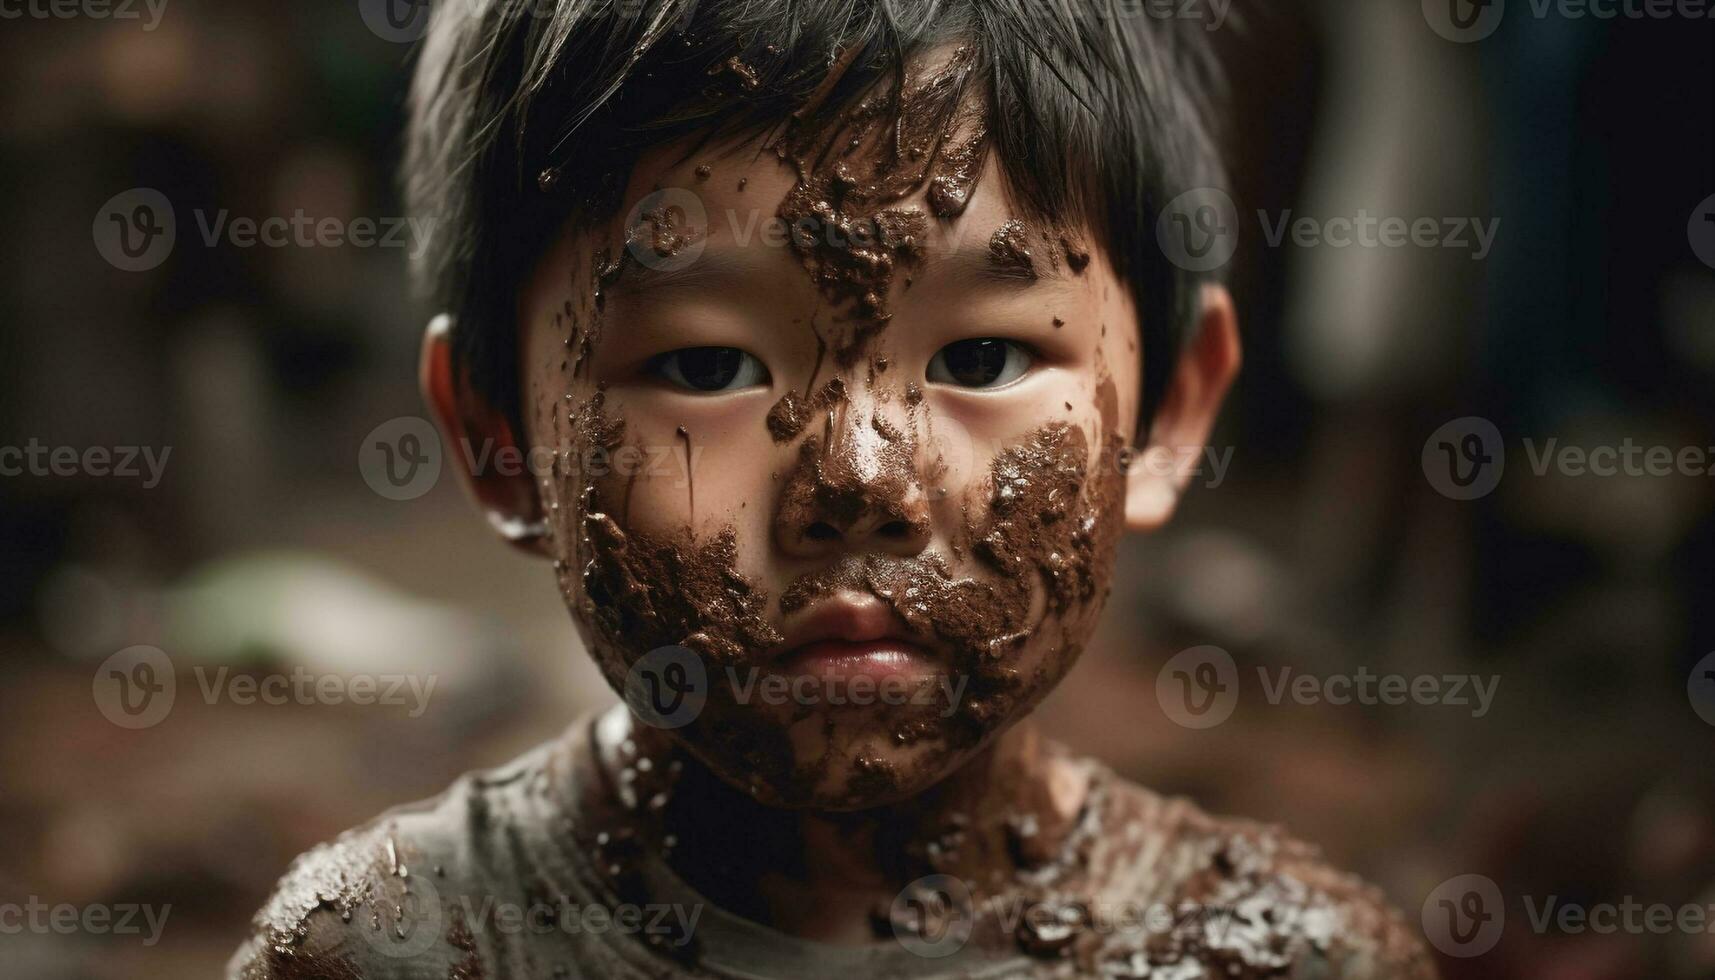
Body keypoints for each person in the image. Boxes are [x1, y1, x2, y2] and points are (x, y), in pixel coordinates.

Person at [231, 1, 1435, 976]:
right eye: (706, 367)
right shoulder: (392, 950)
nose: (858, 482)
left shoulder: (1286, 960)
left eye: (980, 359)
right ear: (499, 439)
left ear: (1167, 411)